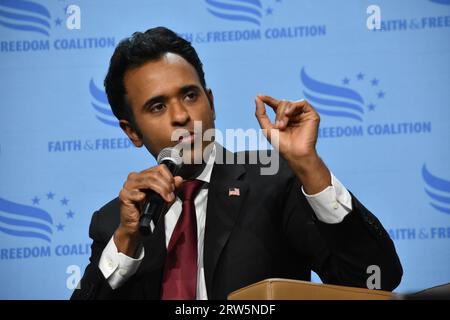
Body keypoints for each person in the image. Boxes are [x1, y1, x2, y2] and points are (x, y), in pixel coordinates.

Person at [71, 27, 402, 300]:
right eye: (157, 107)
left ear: (211, 103)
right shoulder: (116, 221)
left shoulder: (273, 182)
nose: (181, 116)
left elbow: (374, 280)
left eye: (190, 95)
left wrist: (310, 166)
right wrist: (127, 241)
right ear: (132, 132)